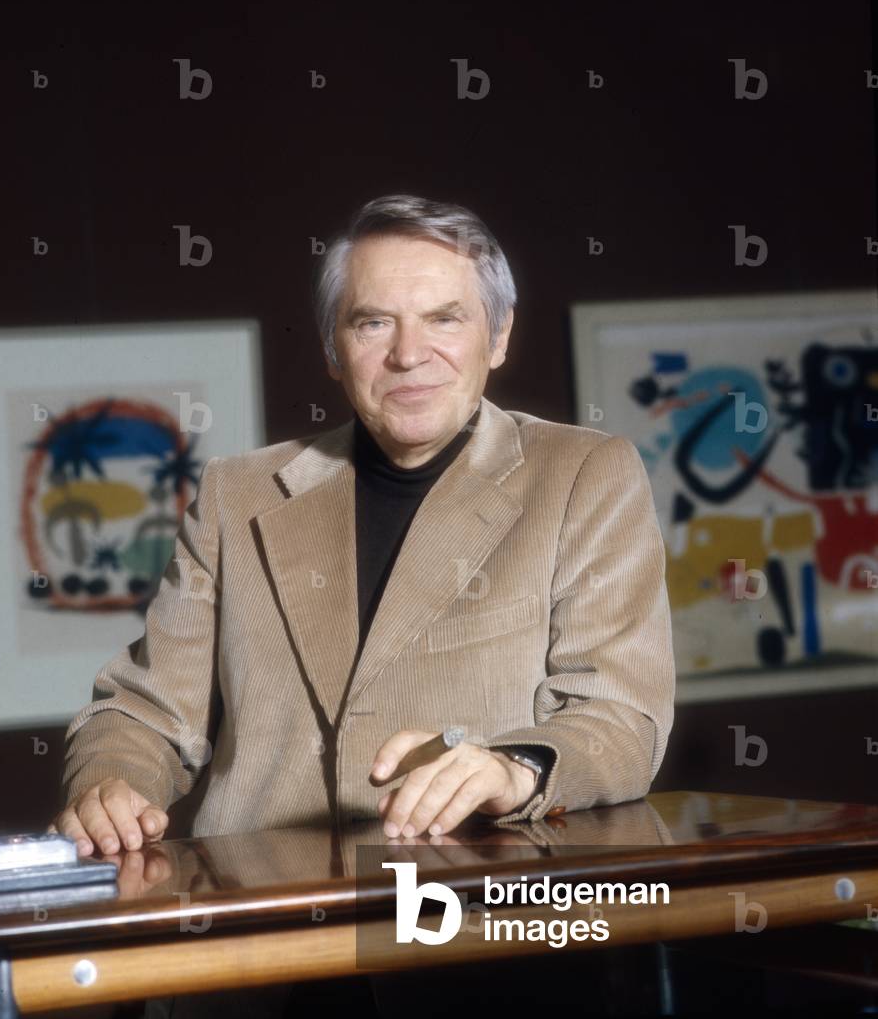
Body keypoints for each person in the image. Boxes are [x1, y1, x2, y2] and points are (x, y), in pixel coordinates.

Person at [50, 190, 675, 874]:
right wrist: (108, 784)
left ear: (498, 337)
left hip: (468, 914)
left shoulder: (584, 475)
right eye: (374, 323)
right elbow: (143, 711)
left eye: (444, 318)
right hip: (264, 915)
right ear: (332, 348)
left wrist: (511, 769)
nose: (409, 354)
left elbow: (621, 720)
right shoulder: (236, 494)